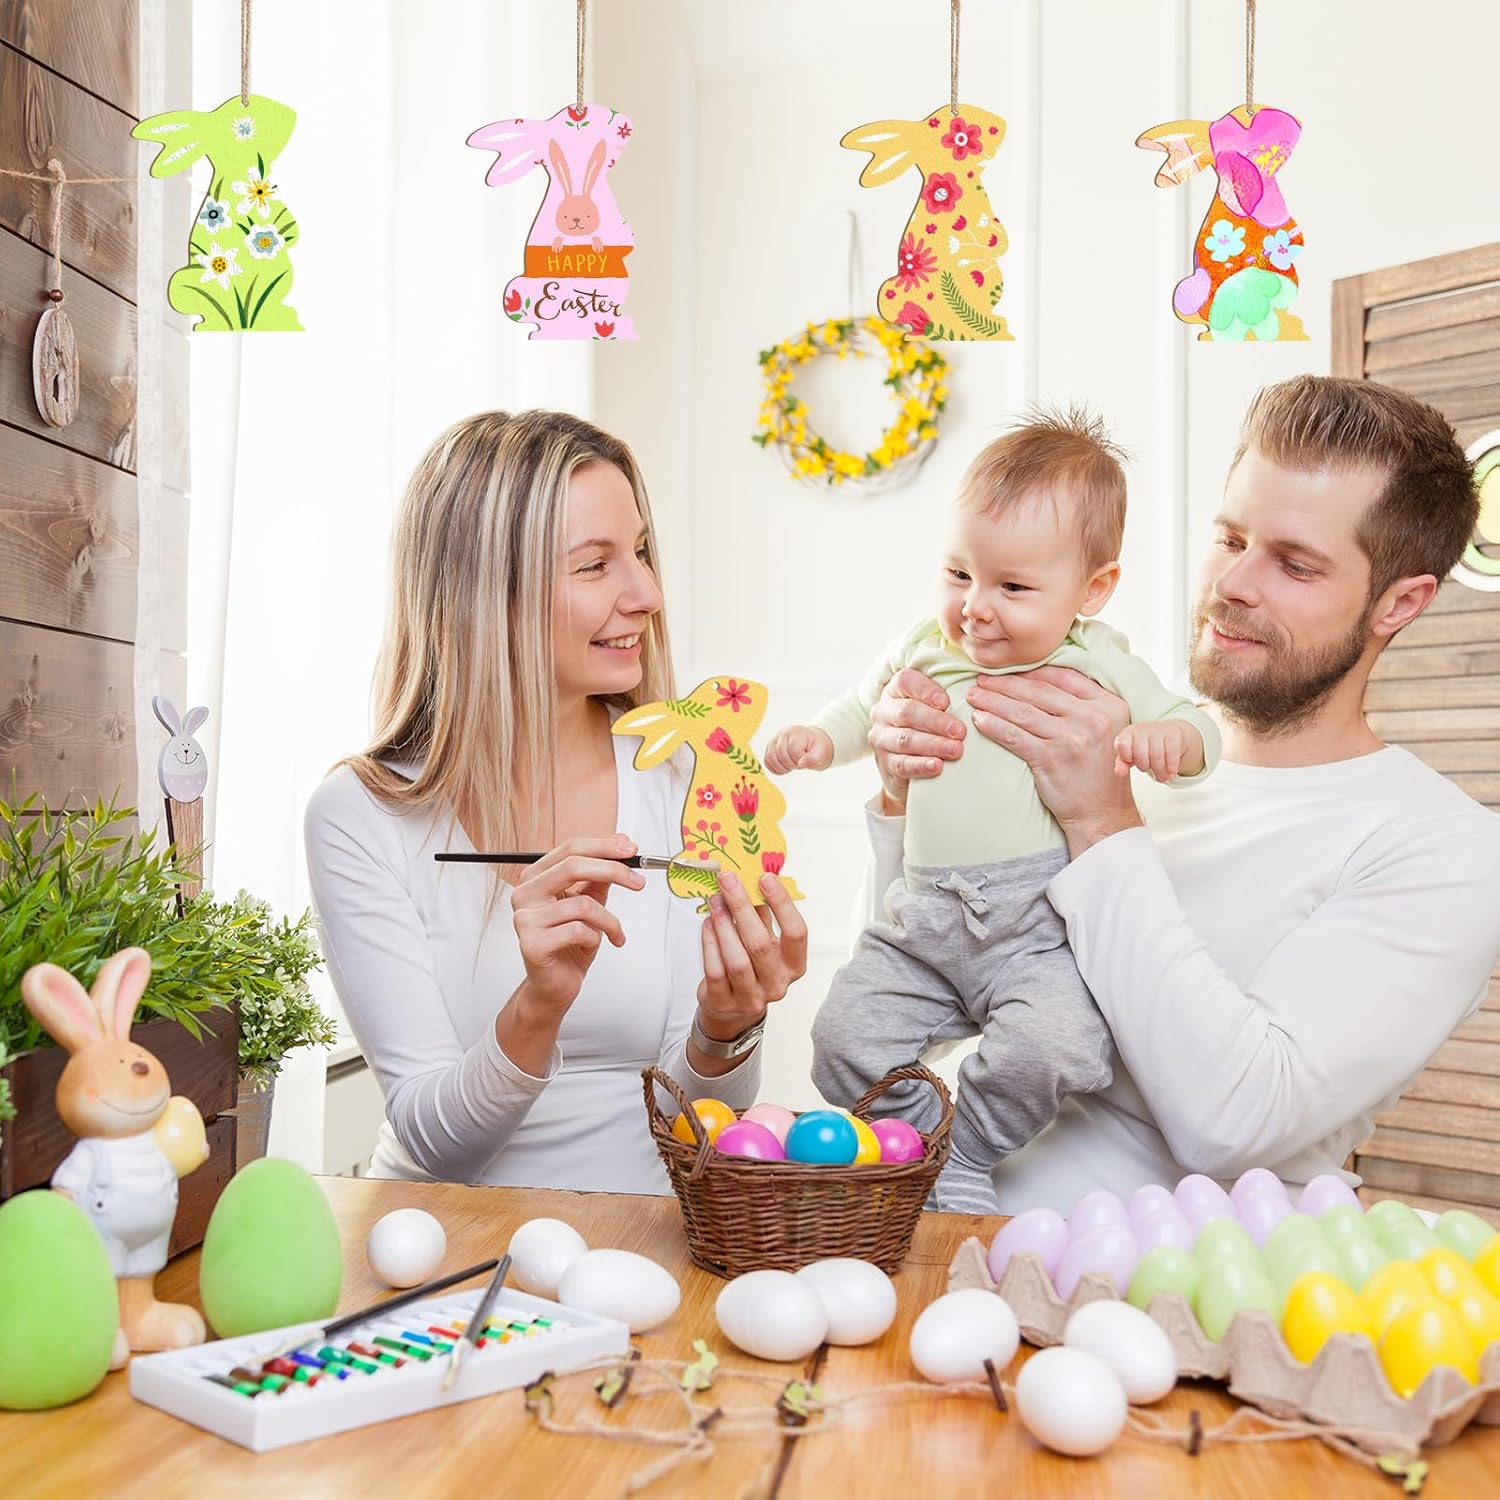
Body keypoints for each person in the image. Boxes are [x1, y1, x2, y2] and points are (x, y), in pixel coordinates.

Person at [861, 375, 1500, 1212]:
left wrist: (1100, 821)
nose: (1236, 584)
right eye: (1231, 538)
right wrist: (903, 799)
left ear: (1400, 602)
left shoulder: (1442, 849)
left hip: (1180, 1292)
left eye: (1296, 565)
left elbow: (1234, 1121)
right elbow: (924, 1003)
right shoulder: (1096, 731)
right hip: (952, 1226)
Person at [304, 410, 807, 1192]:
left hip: (651, 1234)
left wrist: (727, 1024)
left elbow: (700, 1117)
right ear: (485, 597)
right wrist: (538, 1004)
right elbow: (437, 1150)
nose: (647, 593)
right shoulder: (360, 816)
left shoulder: (682, 777)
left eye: (639, 552)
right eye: (594, 565)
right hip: (447, 1243)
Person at [766, 410, 1219, 1213]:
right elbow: (857, 716)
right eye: (958, 574)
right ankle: (919, 1144)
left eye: (1012, 587)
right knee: (841, 1039)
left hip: (1035, 928)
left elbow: (1201, 730)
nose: (975, 607)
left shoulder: (1097, 660)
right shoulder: (922, 645)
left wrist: (1165, 740)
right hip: (922, 923)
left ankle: (966, 1149)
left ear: (1094, 589)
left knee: (1062, 1046)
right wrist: (815, 740)